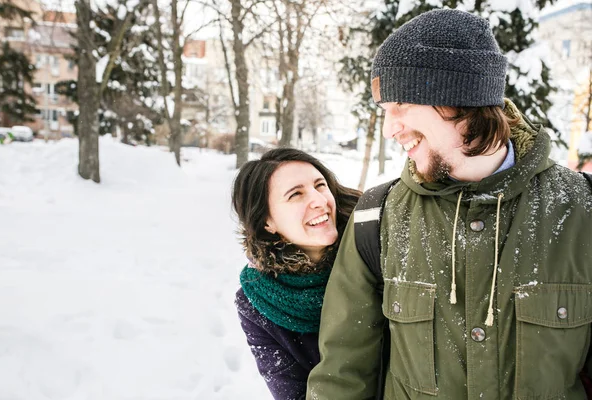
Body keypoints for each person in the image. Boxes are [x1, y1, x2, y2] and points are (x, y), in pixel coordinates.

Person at [307, 9, 592, 400]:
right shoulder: (378, 216)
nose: (390, 128)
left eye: (401, 106)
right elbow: (342, 375)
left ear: (458, 99)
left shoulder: (583, 210)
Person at [232, 148, 361, 399]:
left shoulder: (371, 245)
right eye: (296, 194)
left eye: (320, 185)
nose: (319, 200)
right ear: (266, 221)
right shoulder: (257, 301)